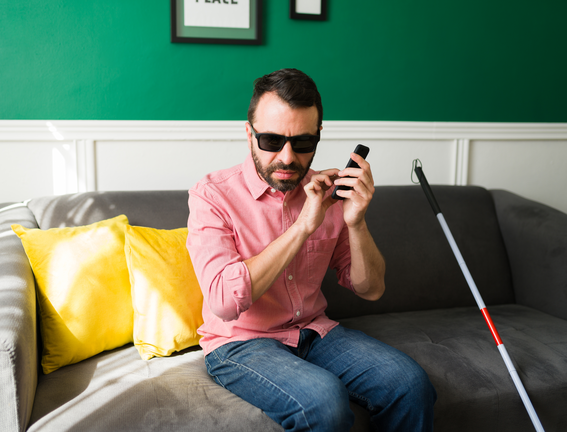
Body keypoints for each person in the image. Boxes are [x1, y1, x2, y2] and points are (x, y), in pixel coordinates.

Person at [186, 68, 436, 432]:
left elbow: (372, 289)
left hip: (315, 332)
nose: (288, 158)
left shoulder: (327, 195)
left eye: (303, 143)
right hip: (240, 342)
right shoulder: (212, 195)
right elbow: (224, 301)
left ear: (319, 136)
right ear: (248, 134)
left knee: (410, 385)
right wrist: (304, 226)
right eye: (272, 141)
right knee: (323, 401)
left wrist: (356, 222)